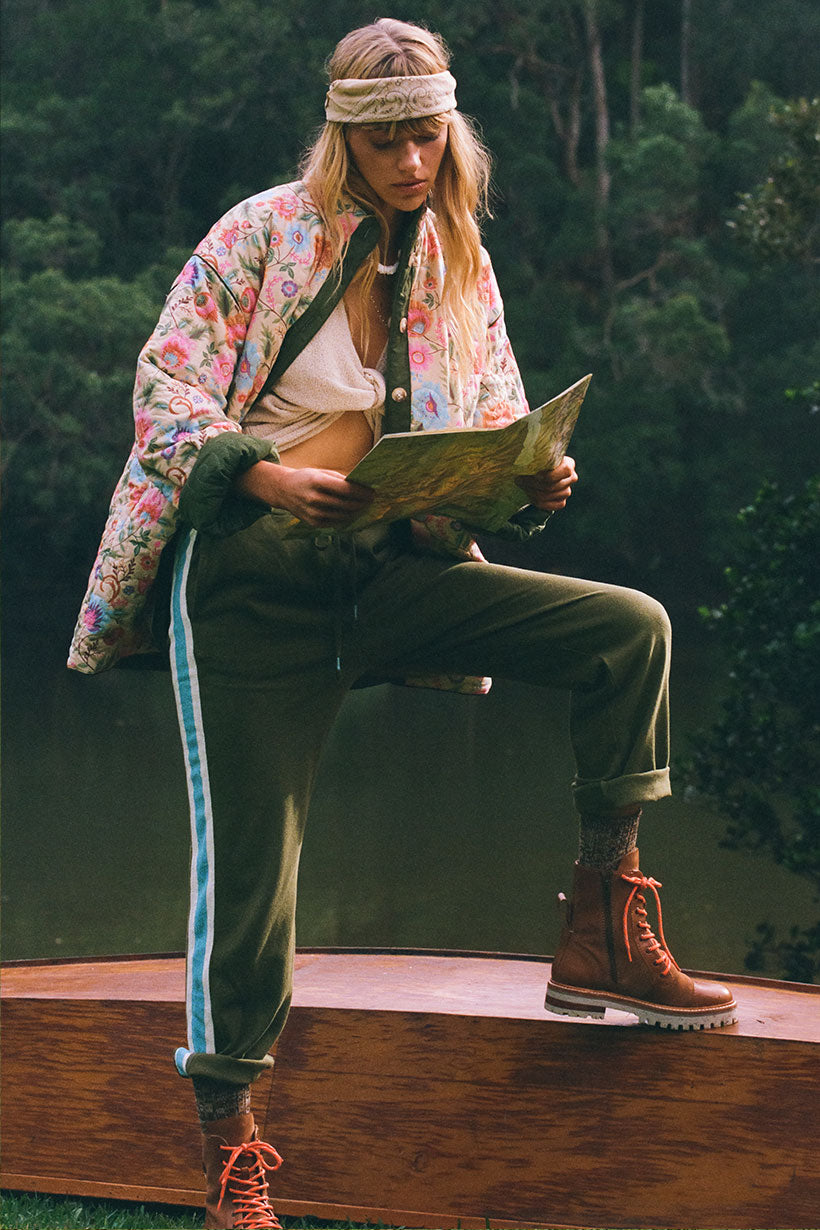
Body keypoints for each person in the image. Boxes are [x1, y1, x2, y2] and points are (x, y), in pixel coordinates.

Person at [68, 17, 737, 1228]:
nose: (410, 159)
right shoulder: (259, 235)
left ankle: (603, 924)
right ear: (344, 139)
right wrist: (261, 476)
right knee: (252, 880)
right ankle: (231, 1148)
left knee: (627, 631)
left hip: (390, 573)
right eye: (385, 140)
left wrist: (532, 484)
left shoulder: (458, 261)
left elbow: (492, 424)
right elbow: (162, 389)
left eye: (427, 135)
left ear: (451, 133)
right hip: (251, 589)